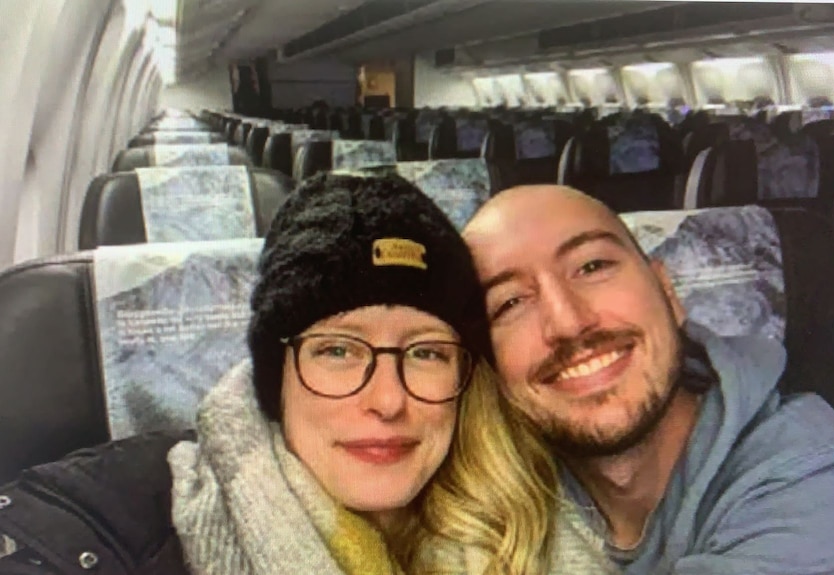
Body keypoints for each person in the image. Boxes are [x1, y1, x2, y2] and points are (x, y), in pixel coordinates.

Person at [0, 173, 612, 575]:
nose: (388, 402)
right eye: (339, 351)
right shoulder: (123, 513)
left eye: (426, 353)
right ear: (277, 375)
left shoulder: (535, 510)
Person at [462, 184, 834, 574]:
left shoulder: (822, 489)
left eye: (592, 266)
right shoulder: (482, 480)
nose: (568, 323)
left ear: (668, 294)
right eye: (510, 302)